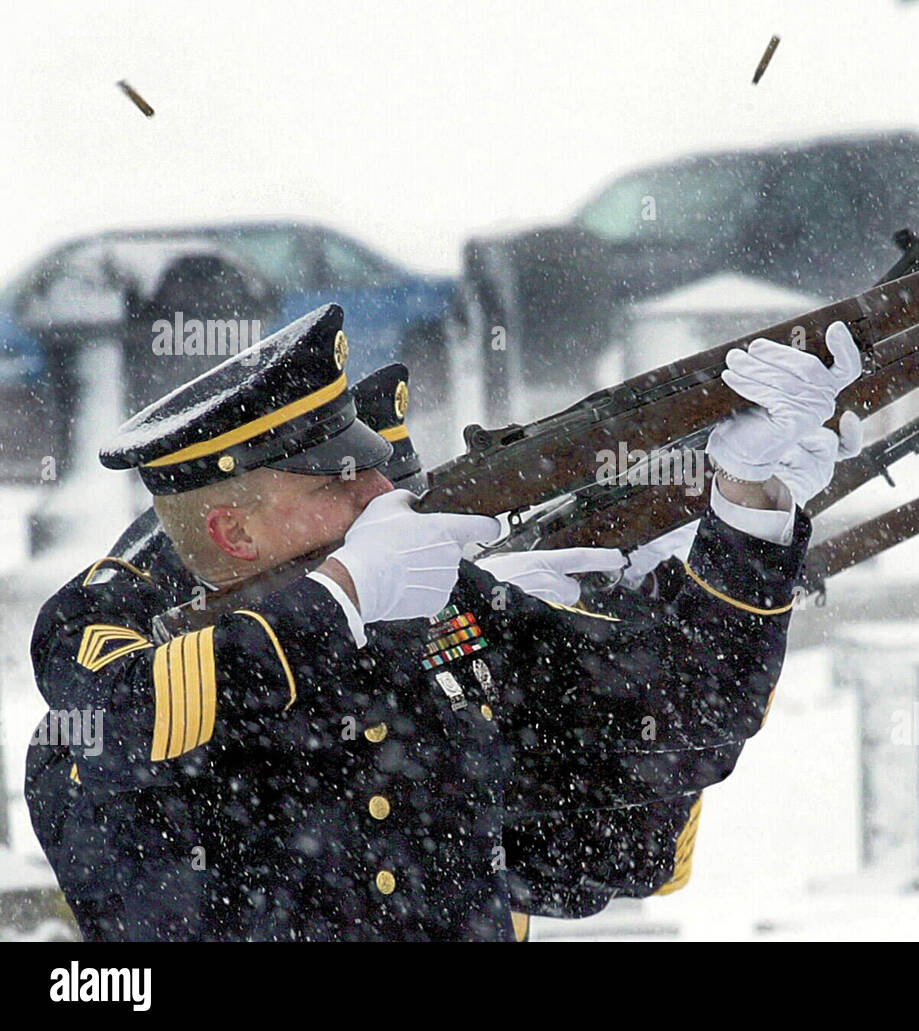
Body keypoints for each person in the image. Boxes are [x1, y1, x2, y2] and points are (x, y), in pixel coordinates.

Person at [26, 302, 861, 941]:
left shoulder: (426, 612)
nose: (381, 495)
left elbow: (669, 735)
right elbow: (128, 726)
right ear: (233, 532)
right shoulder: (116, 712)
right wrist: (342, 594)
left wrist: (745, 506)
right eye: (337, 481)